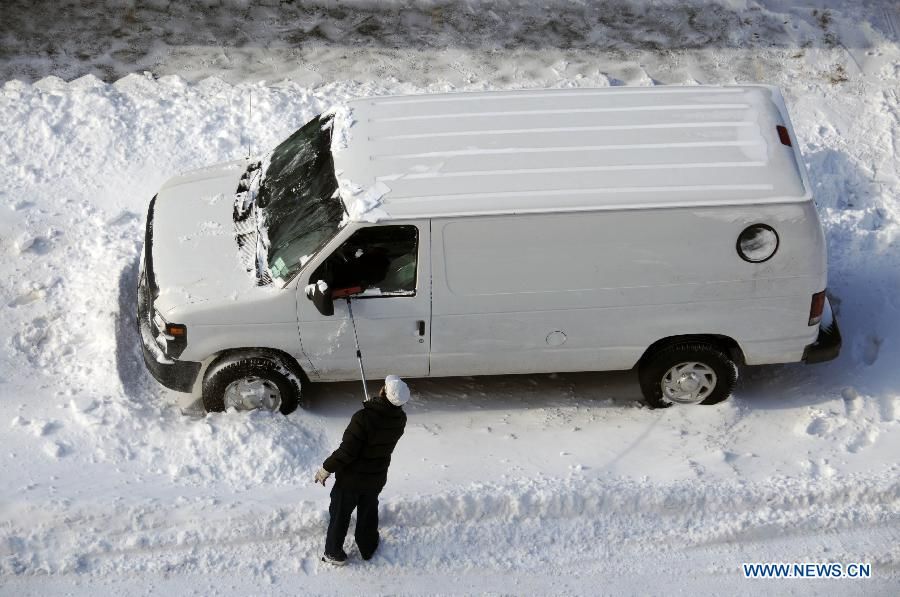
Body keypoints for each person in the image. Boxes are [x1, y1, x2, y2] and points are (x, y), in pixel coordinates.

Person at [315, 375, 409, 566]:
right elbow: (380, 423)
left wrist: (326, 468)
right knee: (368, 512)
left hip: (351, 479)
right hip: (376, 477)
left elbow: (347, 451)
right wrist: (374, 407)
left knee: (340, 514)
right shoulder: (400, 419)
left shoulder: (363, 417)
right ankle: (368, 547)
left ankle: (333, 553)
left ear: (383, 392)